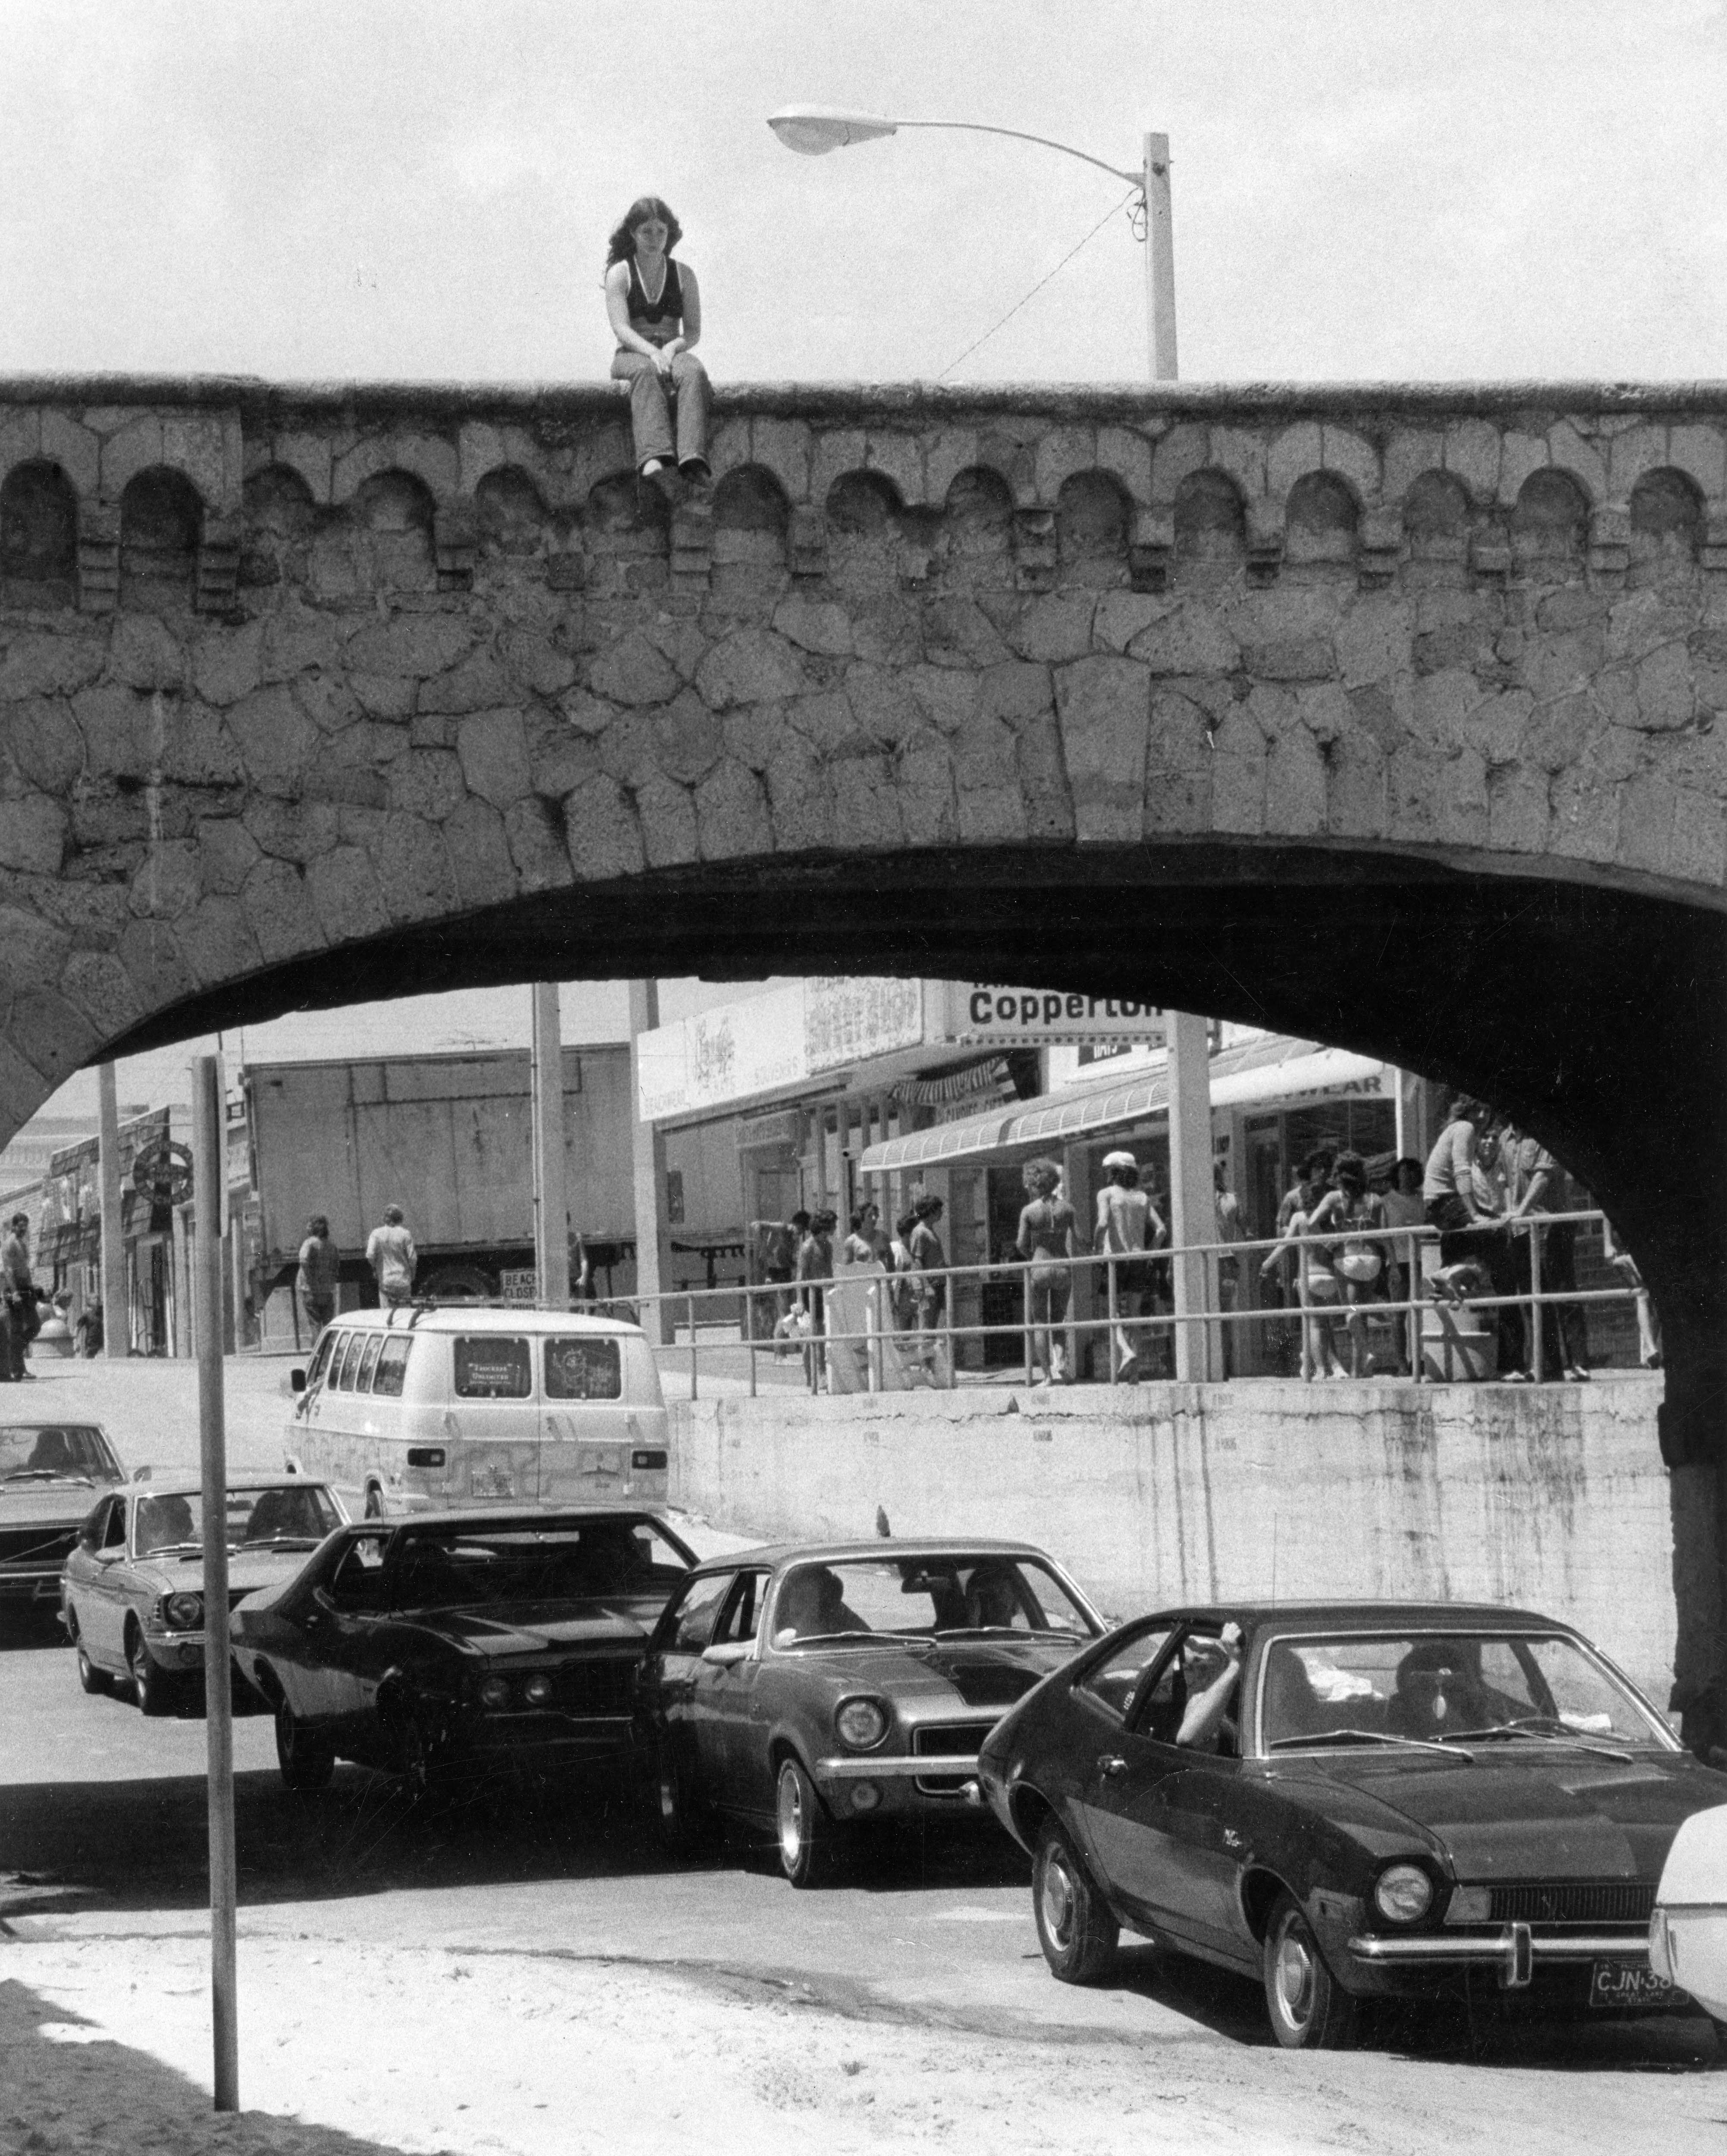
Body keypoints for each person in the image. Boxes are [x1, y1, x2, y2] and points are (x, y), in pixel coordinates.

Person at [603, 196, 711, 495]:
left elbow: (692, 331)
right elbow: (621, 327)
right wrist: (651, 352)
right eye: (646, 232)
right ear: (633, 234)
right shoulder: (620, 274)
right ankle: (654, 455)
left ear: (669, 233)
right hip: (633, 353)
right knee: (645, 373)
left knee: (694, 373)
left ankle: (692, 458)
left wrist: (671, 349)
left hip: (671, 350)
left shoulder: (684, 275)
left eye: (660, 232)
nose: (654, 239)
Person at [1422, 1097, 1526, 1378]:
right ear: (1466, 1110)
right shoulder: (1465, 1128)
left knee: (1477, 1248)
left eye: (1488, 1111)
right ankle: (1451, 1273)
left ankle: (1449, 1278)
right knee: (1496, 1242)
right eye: (1477, 1110)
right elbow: (1461, 1171)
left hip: (1440, 1206)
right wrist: (1474, 1215)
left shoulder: (1459, 1130)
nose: (1482, 1116)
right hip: (1447, 1204)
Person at [1505, 1131, 1589, 1381]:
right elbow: (1507, 1183)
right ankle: (1547, 1366)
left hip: (1554, 1222)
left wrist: (1520, 1211)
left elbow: (1542, 1178)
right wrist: (1511, 1216)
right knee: (1535, 1296)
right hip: (1524, 1226)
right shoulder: (1505, 1140)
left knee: (1563, 1290)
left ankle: (1579, 1363)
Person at [1304, 1151, 1388, 1377]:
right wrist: (1395, 1266)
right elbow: (1385, 1235)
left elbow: (1311, 1223)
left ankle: (1366, 1352)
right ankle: (1358, 1371)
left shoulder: (1334, 1198)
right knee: (1361, 1317)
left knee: (1350, 1310)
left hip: (1346, 1259)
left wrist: (1330, 1244)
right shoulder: (1375, 1200)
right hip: (1372, 1260)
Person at [1259, 1169, 1348, 1381]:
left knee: (1314, 1325)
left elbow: (1285, 1245)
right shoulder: (1329, 1218)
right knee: (1326, 1324)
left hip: (1309, 1278)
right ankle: (1331, 1366)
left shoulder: (1300, 1218)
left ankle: (1319, 1370)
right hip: (1330, 1278)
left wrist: (1267, 1263)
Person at [1094, 1151, 1164, 1381]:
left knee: (1111, 1313)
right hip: (1138, 1260)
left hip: (1115, 1260)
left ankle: (1126, 1351)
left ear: (1113, 1173)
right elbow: (1161, 1230)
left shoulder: (1106, 1194)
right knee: (1134, 1314)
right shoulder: (1142, 1198)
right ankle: (1135, 1374)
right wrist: (1149, 1253)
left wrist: (1096, 1248)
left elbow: (1103, 1223)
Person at [1015, 1158, 1078, 1385]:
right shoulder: (1068, 1209)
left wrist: (1032, 1255)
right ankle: (1060, 1365)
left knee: (1040, 1322)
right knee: (1059, 1319)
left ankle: (1047, 1376)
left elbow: (1021, 1244)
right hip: (1062, 1266)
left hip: (1040, 1266)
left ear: (1034, 1184)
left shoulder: (1029, 1211)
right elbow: (1079, 1240)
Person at [1380, 1157, 1426, 1372]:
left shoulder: (1422, 1199)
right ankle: (1401, 1363)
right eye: (1403, 1172)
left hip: (1421, 1261)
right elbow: (1385, 1236)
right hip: (1398, 1263)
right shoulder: (1387, 1201)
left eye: (1412, 1172)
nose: (1407, 1176)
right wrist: (1395, 1266)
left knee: (1422, 1312)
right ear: (1396, 1175)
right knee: (1399, 1315)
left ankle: (1420, 1359)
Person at [1603, 1216, 1661, 1369]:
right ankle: (1651, 1351)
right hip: (1630, 1244)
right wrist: (1607, 1243)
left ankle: (1650, 1352)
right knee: (1643, 1294)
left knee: (1649, 1296)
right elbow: (1607, 1211)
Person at [908, 1194, 950, 1383]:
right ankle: (925, 1367)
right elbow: (917, 1261)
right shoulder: (920, 1232)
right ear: (931, 1211)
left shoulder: (931, 1231)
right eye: (938, 1209)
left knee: (934, 1329)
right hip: (930, 1286)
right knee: (926, 1327)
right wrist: (922, 1286)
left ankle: (932, 1366)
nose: (941, 1212)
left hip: (939, 1284)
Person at [796, 1210, 836, 1388]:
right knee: (811, 1336)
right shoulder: (808, 1247)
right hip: (810, 1294)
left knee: (824, 1335)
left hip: (825, 1292)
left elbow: (829, 1270)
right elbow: (801, 1275)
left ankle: (823, 1373)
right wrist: (800, 1301)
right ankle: (810, 1376)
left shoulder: (828, 1246)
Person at [1, 1214, 38, 1381]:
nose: (24, 1229)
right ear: (14, 1226)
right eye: (21, 1226)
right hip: (14, 1289)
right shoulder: (9, 1244)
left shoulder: (22, 1242)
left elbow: (25, 1268)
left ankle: (17, 1361)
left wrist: (31, 1287)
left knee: (34, 1325)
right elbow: (9, 1269)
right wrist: (15, 1292)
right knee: (17, 1329)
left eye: (26, 1226)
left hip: (25, 1288)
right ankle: (17, 1369)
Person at [365, 1203, 418, 1309]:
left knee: (387, 1315)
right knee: (404, 1316)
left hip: (386, 1281)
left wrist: (375, 1268)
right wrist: (412, 1275)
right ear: (399, 1219)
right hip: (403, 1281)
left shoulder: (376, 1234)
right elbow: (412, 1259)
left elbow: (370, 1255)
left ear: (385, 1218)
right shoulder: (405, 1234)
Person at [295, 1214, 338, 1342]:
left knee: (315, 1324)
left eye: (309, 1225)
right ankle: (328, 1350)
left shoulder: (309, 1244)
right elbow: (336, 1265)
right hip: (326, 1290)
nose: (307, 1228)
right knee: (328, 1324)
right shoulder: (331, 1245)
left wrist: (310, 1278)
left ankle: (318, 1352)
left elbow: (303, 1260)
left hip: (311, 1290)